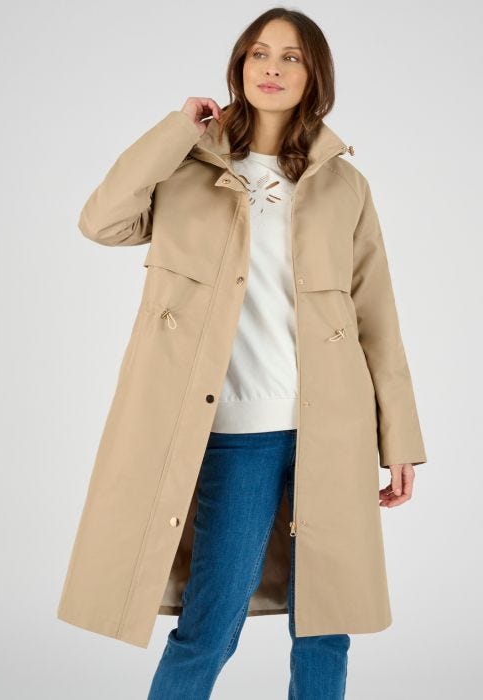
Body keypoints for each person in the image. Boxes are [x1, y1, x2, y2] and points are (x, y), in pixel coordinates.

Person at [58, 7, 426, 699]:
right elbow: (101, 221)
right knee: (209, 627)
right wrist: (176, 130)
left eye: (291, 57)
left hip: (332, 431)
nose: (272, 68)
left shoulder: (345, 186)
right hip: (235, 433)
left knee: (325, 629)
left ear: (314, 76)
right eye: (259, 53)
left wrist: (399, 437)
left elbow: (377, 317)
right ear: (239, 66)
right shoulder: (188, 168)